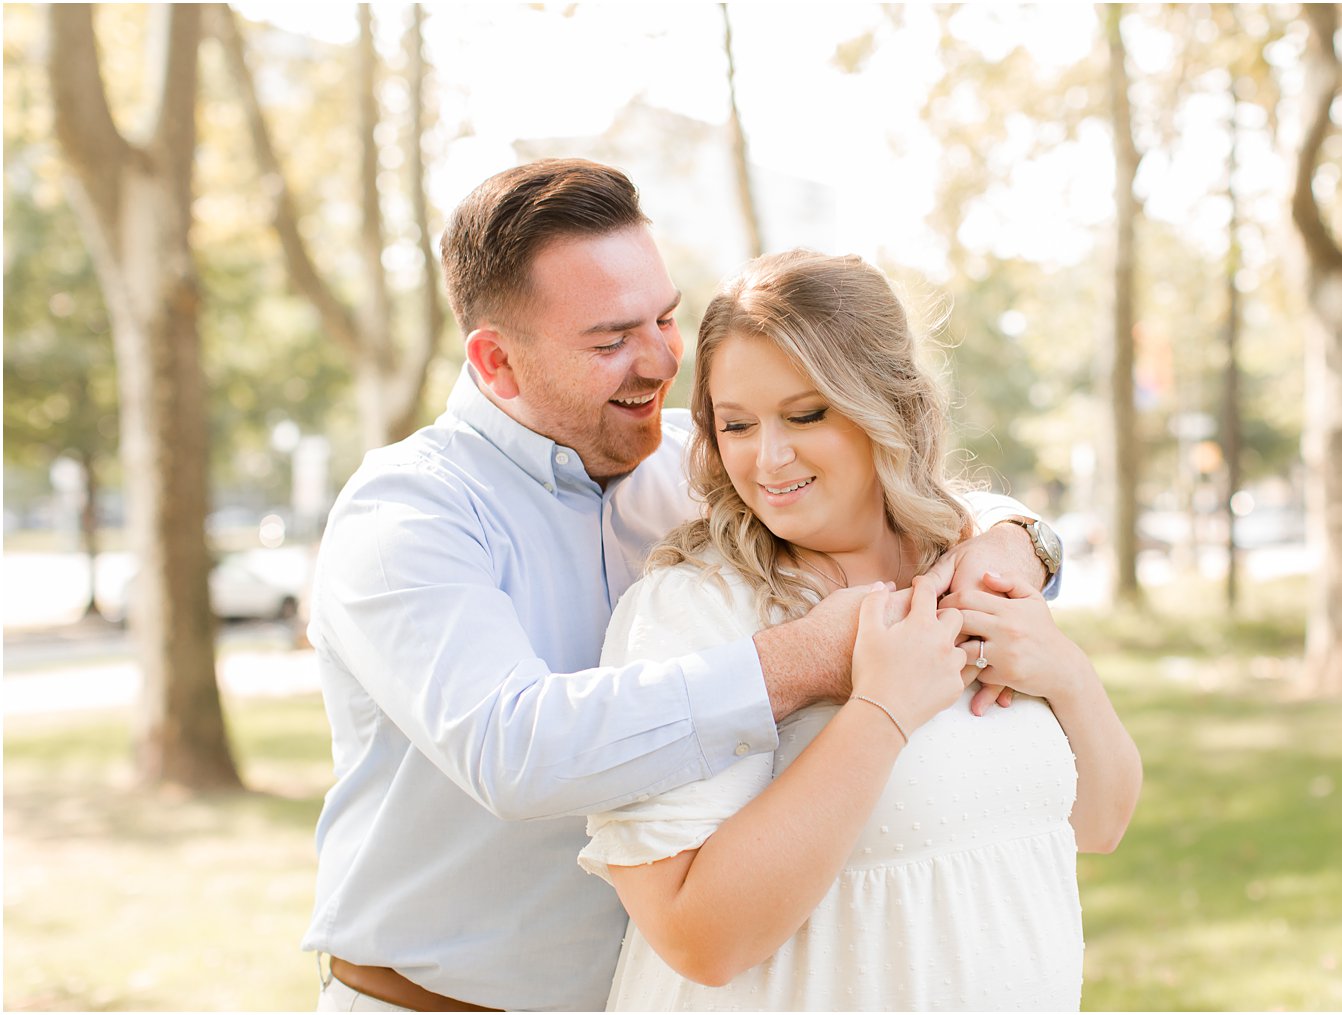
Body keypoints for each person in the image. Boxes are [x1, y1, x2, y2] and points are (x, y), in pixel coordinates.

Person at [300, 159, 1058, 1012]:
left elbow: (883, 481)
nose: (663, 360)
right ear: (496, 361)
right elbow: (516, 750)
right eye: (611, 339)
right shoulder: (406, 516)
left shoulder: (687, 465)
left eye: (665, 316)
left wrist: (1021, 539)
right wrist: (807, 658)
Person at [579, 249, 1142, 1011]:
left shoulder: (976, 561)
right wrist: (880, 713)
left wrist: (1065, 672)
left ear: (889, 401)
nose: (768, 459)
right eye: (737, 424)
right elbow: (695, 939)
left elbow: (1097, 824)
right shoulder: (694, 609)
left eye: (806, 414)